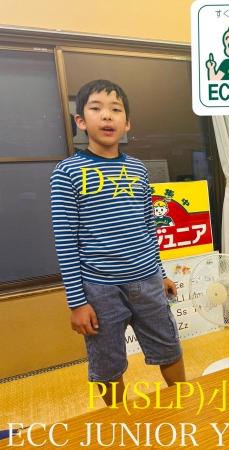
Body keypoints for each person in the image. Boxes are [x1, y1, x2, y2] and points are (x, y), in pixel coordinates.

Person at [50, 79, 185, 406]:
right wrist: (76, 303)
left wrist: (161, 273)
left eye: (115, 109)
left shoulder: (138, 169)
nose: (107, 116)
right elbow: (65, 242)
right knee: (108, 363)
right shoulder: (66, 173)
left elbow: (148, 227)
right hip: (99, 291)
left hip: (147, 281)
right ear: (81, 121)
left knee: (168, 346)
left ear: (127, 123)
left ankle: (185, 404)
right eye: (96, 108)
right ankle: (118, 421)